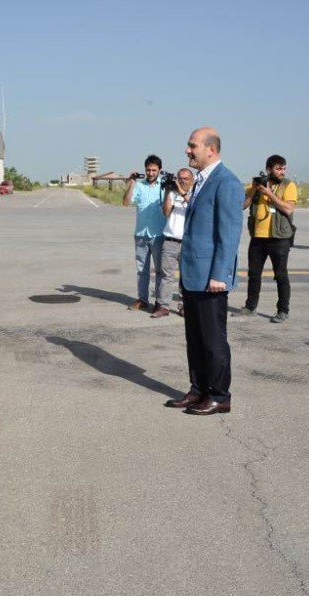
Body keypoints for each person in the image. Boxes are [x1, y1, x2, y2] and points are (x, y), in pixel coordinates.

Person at [165, 127, 243, 416]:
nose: (187, 151)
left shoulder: (227, 182)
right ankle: (198, 389)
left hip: (212, 277)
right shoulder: (200, 180)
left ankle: (220, 395)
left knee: (213, 340)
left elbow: (230, 234)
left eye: (192, 145)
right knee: (195, 338)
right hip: (193, 274)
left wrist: (220, 275)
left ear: (211, 149)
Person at [236, 155, 297, 324]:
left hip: (279, 238)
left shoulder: (288, 185)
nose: (282, 172)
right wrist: (256, 189)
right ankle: (250, 307)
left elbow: (288, 209)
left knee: (281, 275)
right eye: (279, 168)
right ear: (269, 169)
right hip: (258, 237)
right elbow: (243, 205)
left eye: (284, 168)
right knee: (254, 275)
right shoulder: (256, 184)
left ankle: (283, 310)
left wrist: (269, 194)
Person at [122, 155, 166, 311]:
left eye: (154, 170)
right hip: (141, 234)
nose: (151, 172)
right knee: (142, 270)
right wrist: (131, 182)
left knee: (161, 271)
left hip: (159, 235)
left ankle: (160, 303)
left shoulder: (165, 186)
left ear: (159, 170)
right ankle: (142, 299)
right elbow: (126, 202)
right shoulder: (139, 186)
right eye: (148, 170)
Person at [156, 168, 194, 317]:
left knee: (186, 276)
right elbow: (166, 213)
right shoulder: (172, 193)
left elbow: (194, 207)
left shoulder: (196, 193)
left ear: (192, 180)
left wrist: (180, 190)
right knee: (166, 276)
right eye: (180, 178)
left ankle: (184, 306)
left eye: (185, 178)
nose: (183, 181)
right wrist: (168, 192)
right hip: (170, 241)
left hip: (188, 242)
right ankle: (163, 306)